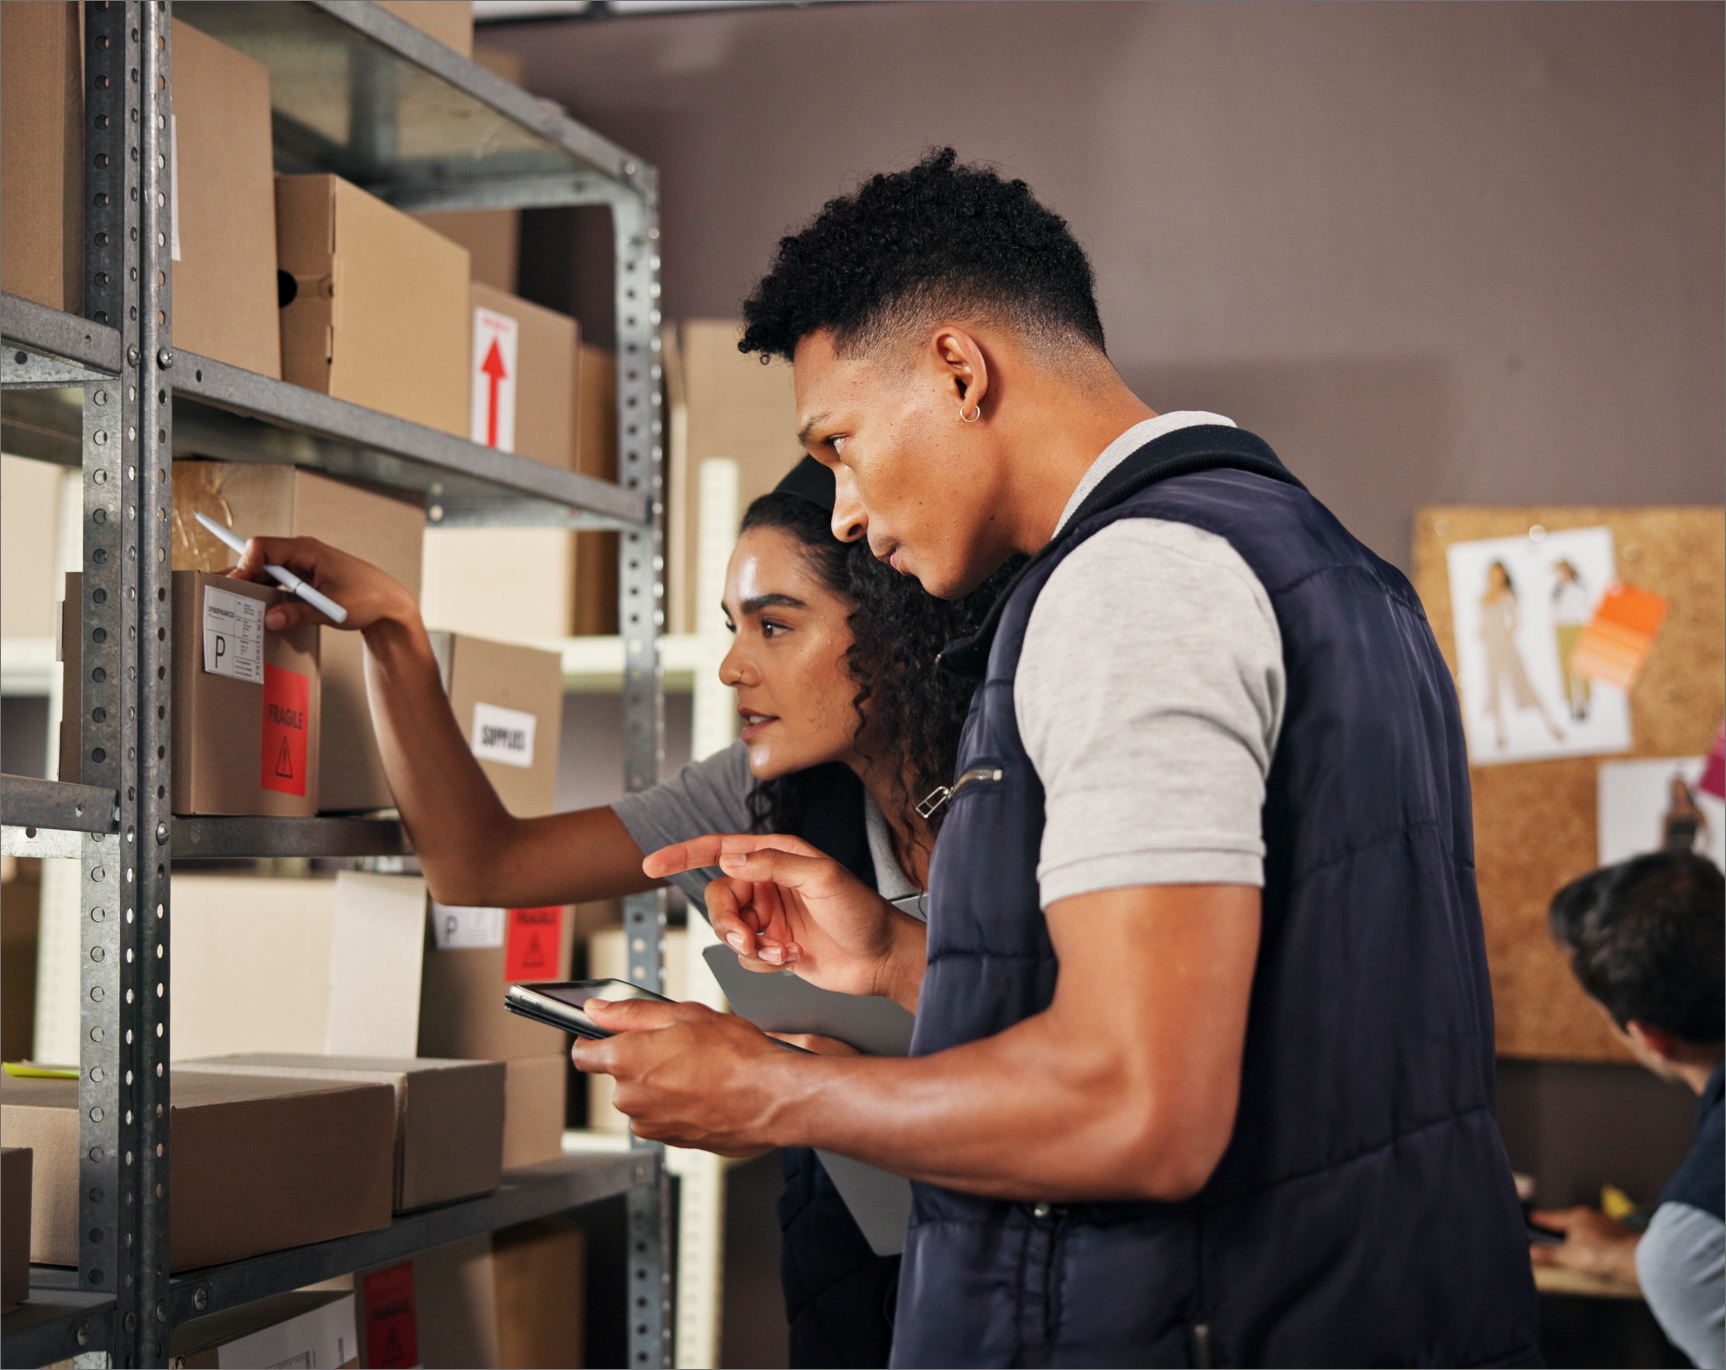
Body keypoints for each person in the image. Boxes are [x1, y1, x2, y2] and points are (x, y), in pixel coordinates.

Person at [571, 148, 1540, 1366]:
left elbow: (1140, 1108)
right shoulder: (1332, 571)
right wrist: (892, 957)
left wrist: (775, 1089)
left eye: (840, 447)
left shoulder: (1129, 585)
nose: (849, 515)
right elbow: (1264, 1012)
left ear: (959, 368)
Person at [231, 458, 1016, 1368]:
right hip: (863, 1280)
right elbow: (479, 861)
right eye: (732, 628)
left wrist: (795, 1078)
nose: (731, 666)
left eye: (773, 626)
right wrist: (395, 633)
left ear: (891, 630)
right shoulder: (761, 791)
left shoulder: (1018, 778)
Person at [1535, 851, 1724, 1369]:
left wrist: (1666, 1254)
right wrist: (1633, 1256)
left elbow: (1699, 1260)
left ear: (1649, 1038)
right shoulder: (1695, 1246)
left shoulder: (1692, 1249)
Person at [1480, 559, 1564, 748]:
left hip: (1506, 647)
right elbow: (1483, 624)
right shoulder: (1483, 597)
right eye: (1493, 573)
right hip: (1490, 651)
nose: (1496, 577)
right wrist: (1482, 632)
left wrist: (1507, 632)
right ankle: (1499, 735)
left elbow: (1516, 620)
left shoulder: (1507, 595)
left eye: (1499, 573)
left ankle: (1551, 726)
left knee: (1524, 685)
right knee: (1494, 691)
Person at [1551, 558, 1592, 721]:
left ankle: (1584, 704)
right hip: (1562, 629)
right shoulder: (1557, 591)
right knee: (1565, 667)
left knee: (1581, 667)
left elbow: (1586, 607)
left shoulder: (1579, 589)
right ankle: (1570, 703)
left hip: (1577, 628)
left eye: (1562, 571)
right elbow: (1554, 610)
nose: (1559, 575)